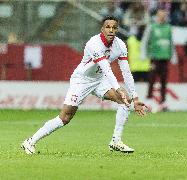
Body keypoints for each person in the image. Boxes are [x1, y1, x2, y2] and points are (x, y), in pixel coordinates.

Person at [21, 16, 149, 154]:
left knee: (126, 100)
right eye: (108, 27)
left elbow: (126, 71)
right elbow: (106, 68)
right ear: (102, 29)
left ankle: (116, 141)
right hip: (82, 80)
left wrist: (135, 98)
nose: (111, 30)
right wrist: (118, 88)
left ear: (117, 29)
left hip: (100, 80)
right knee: (65, 117)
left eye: (114, 27)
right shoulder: (93, 43)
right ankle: (30, 141)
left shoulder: (120, 45)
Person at [141, 9, 175, 111]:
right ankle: (148, 102)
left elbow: (171, 42)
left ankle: (163, 103)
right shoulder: (152, 27)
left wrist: (173, 56)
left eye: (164, 15)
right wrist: (144, 54)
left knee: (164, 81)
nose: (162, 17)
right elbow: (145, 41)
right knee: (151, 80)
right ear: (156, 16)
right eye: (160, 15)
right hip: (154, 58)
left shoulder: (168, 27)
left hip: (165, 58)